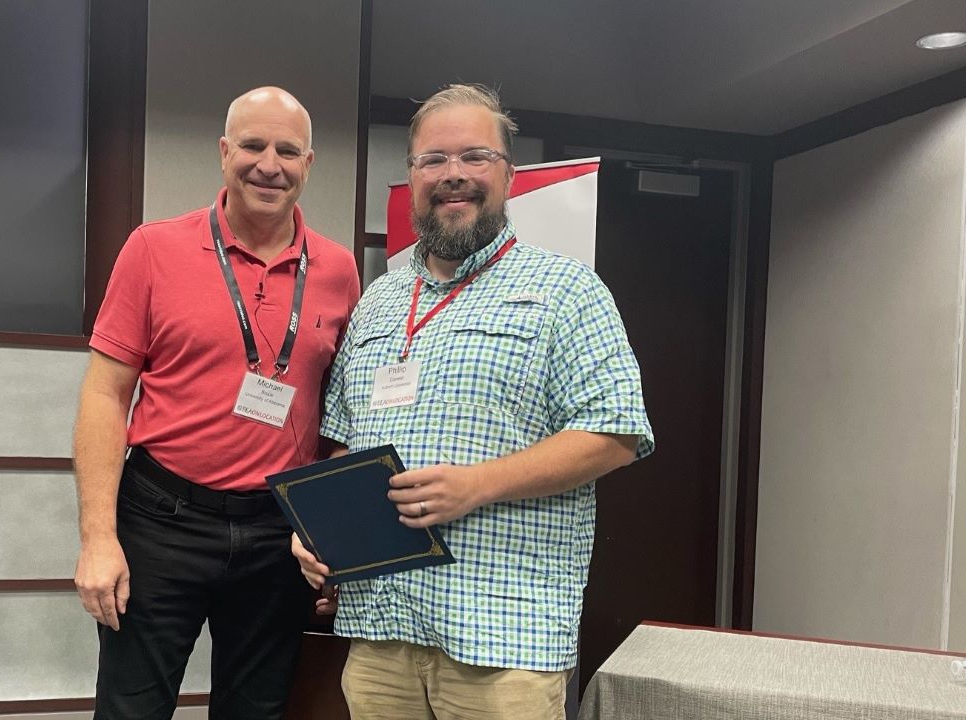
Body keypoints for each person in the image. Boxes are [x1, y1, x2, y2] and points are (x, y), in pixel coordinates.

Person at [292, 84, 654, 719]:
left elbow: (616, 433)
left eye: (474, 156)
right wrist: (321, 535)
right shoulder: (378, 300)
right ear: (412, 175)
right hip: (382, 628)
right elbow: (345, 441)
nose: (452, 175)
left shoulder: (567, 290)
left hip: (502, 639)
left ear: (508, 175)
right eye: (433, 159)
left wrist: (477, 485)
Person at [72, 86, 360, 720]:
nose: (269, 164)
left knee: (255, 710)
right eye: (253, 145)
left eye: (288, 150)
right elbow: (104, 393)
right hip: (161, 518)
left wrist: (332, 531)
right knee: (132, 709)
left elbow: (342, 412)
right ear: (224, 152)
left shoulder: (339, 270)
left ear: (308, 164)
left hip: (276, 530)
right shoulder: (153, 248)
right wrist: (98, 538)